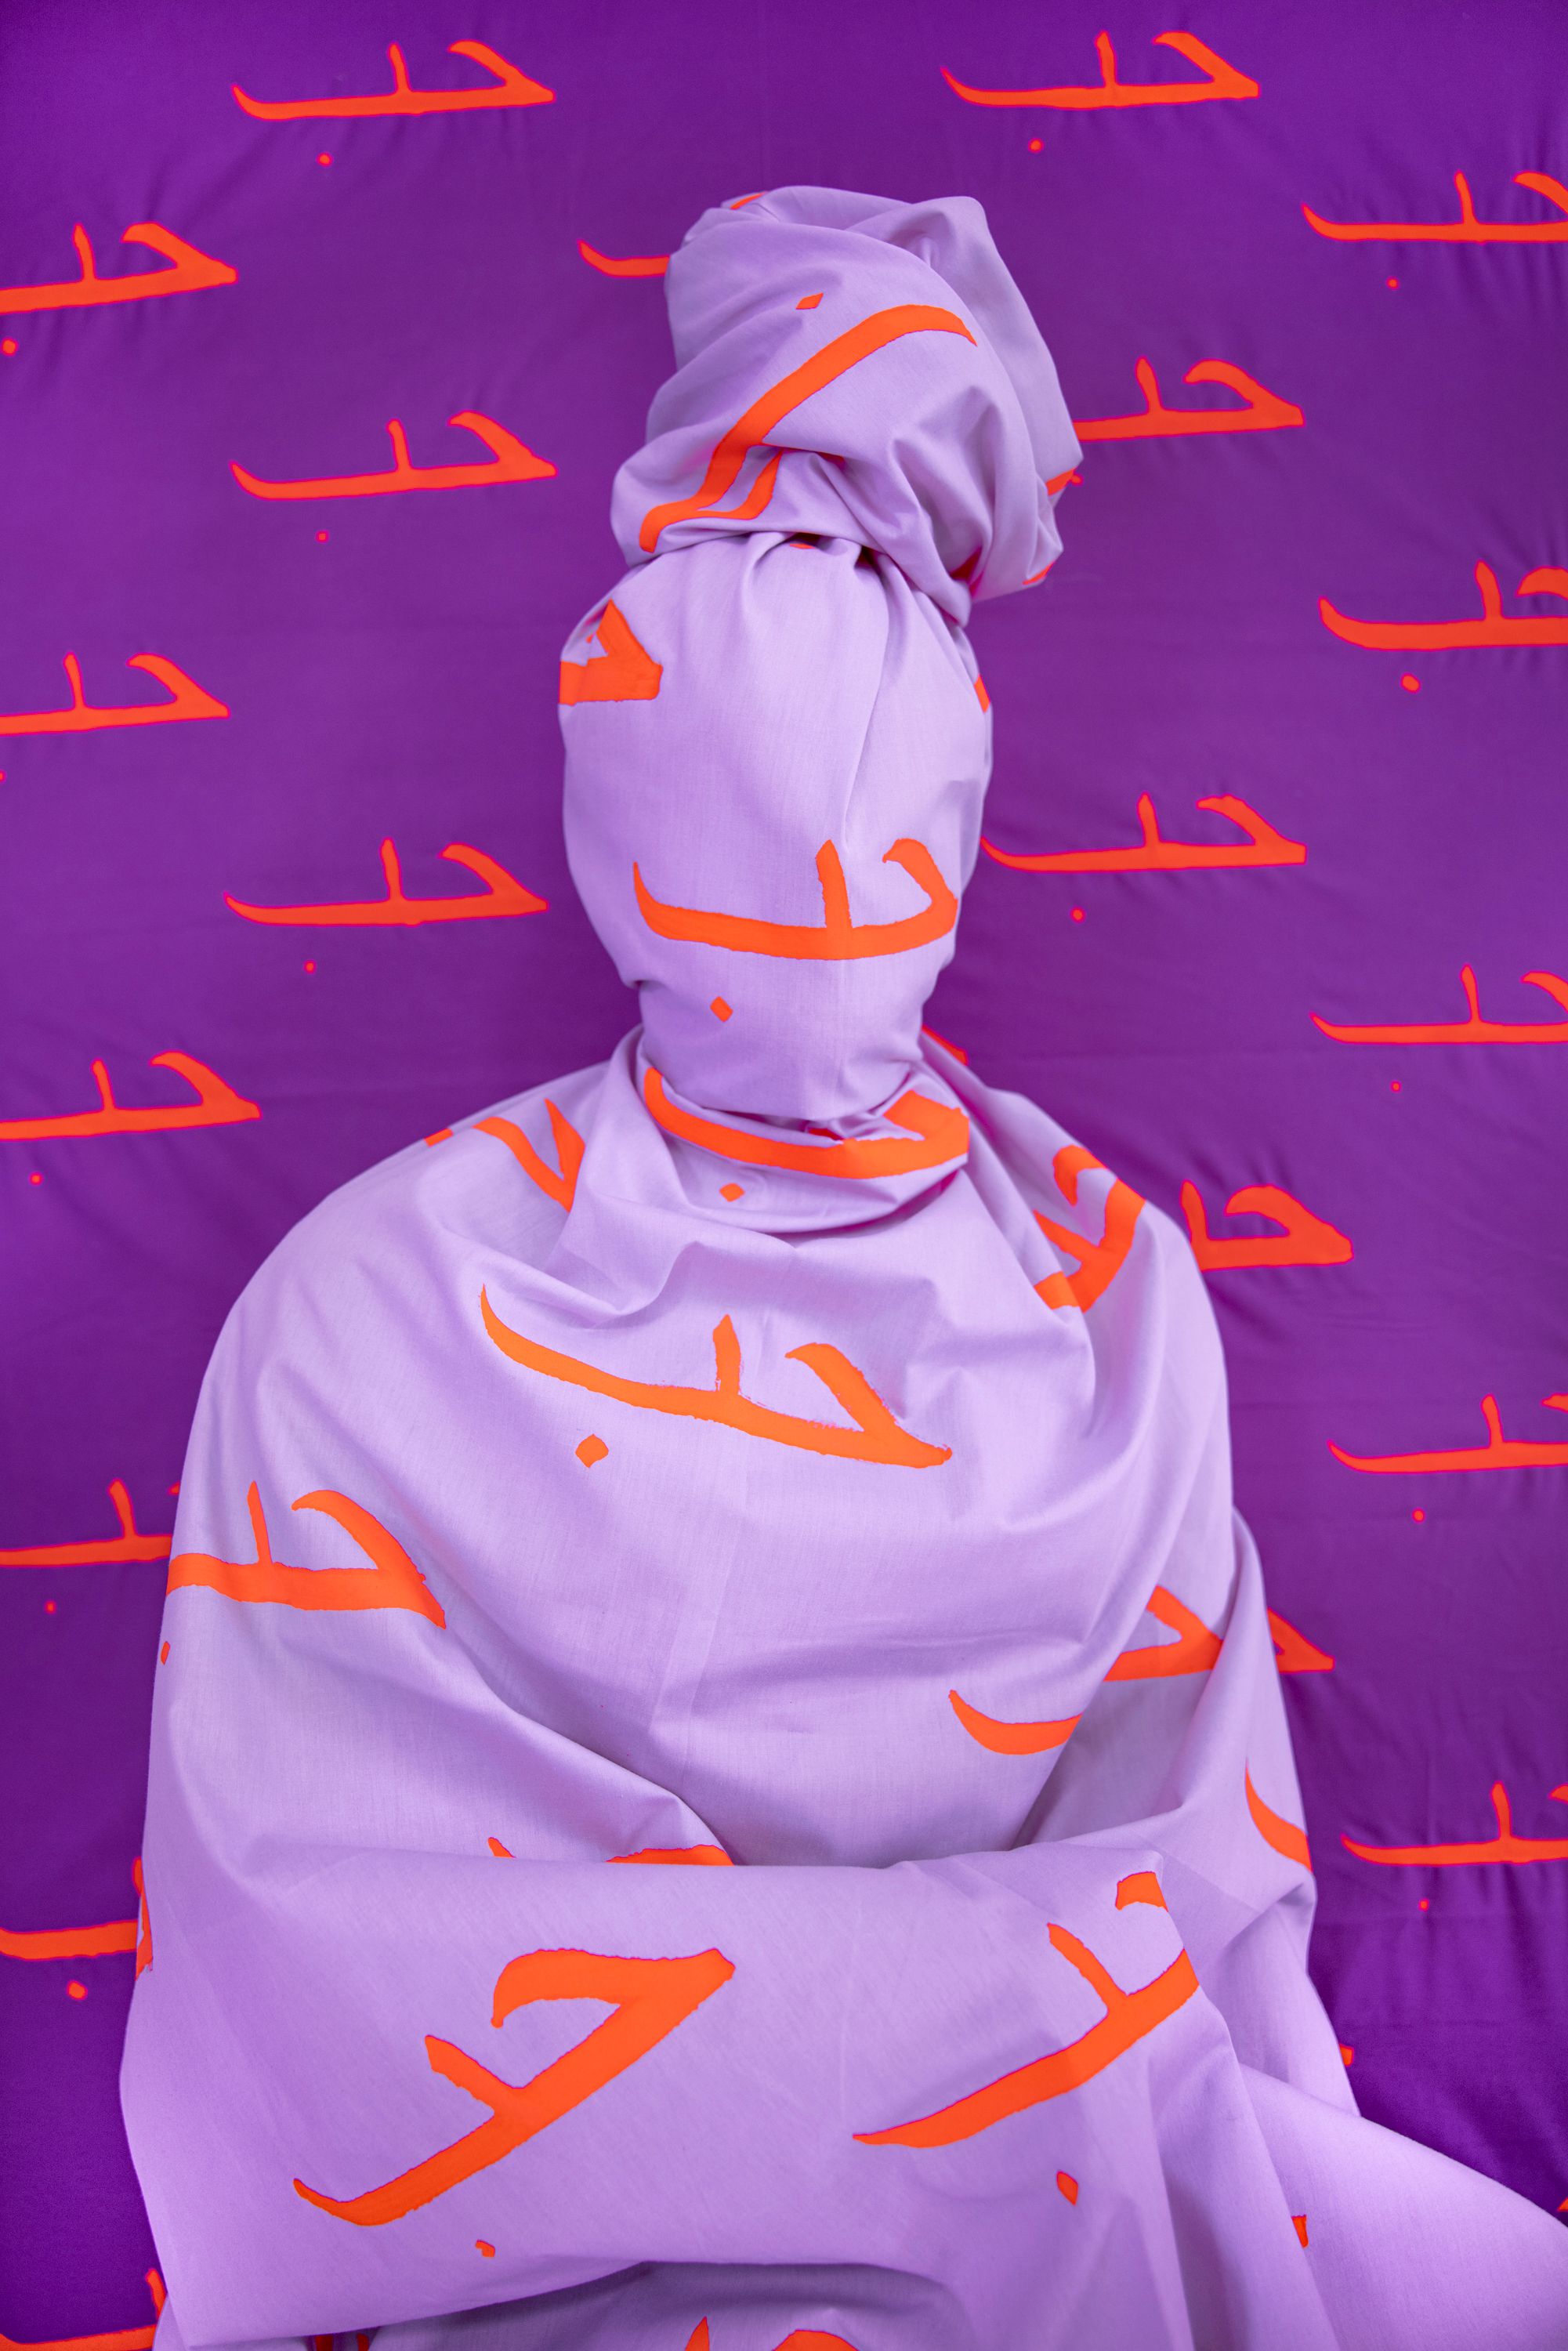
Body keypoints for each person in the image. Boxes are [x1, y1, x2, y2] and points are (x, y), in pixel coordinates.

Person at [121, 187, 1568, 2351]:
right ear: (611, 820)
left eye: (867, 811)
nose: (802, 891)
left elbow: (1201, 1909)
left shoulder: (1108, 1301)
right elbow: (301, 1970)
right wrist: (998, 2004)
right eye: (725, 804)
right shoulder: (361, 1312)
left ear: (958, 829)